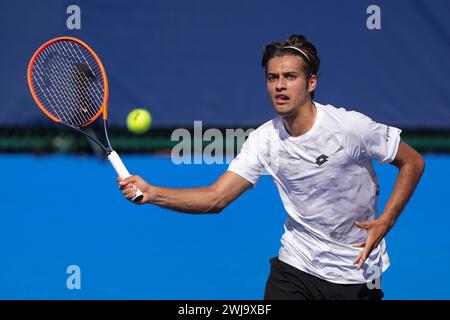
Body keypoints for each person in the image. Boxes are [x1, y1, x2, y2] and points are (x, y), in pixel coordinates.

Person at [118, 34, 425, 300]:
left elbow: (412, 161)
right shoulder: (263, 140)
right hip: (296, 265)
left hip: (356, 271)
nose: (280, 85)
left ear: (311, 82)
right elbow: (216, 198)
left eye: (290, 77)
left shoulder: (350, 128)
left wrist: (386, 221)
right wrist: (153, 192)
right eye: (272, 77)